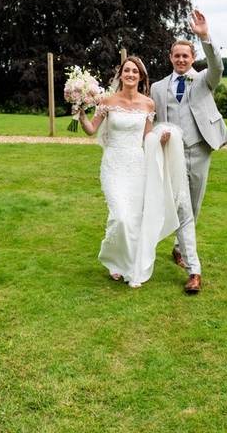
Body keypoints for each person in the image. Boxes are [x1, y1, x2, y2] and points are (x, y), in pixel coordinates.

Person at [78, 56, 186, 288]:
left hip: (136, 166)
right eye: (127, 71)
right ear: (120, 75)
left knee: (132, 218)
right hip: (114, 164)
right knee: (120, 216)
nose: (130, 74)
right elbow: (91, 130)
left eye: (135, 72)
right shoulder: (107, 101)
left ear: (141, 77)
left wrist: (160, 138)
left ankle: (123, 264)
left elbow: (147, 135)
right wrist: (81, 114)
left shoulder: (148, 104)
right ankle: (113, 260)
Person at [151, 9, 227, 294]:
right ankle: (193, 270)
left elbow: (218, 67)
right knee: (182, 206)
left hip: (199, 149)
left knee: (193, 205)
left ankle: (178, 246)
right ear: (171, 58)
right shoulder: (158, 88)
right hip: (171, 154)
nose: (182, 60)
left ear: (193, 58)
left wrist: (205, 36)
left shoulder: (204, 80)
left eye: (186, 56)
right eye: (177, 56)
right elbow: (154, 120)